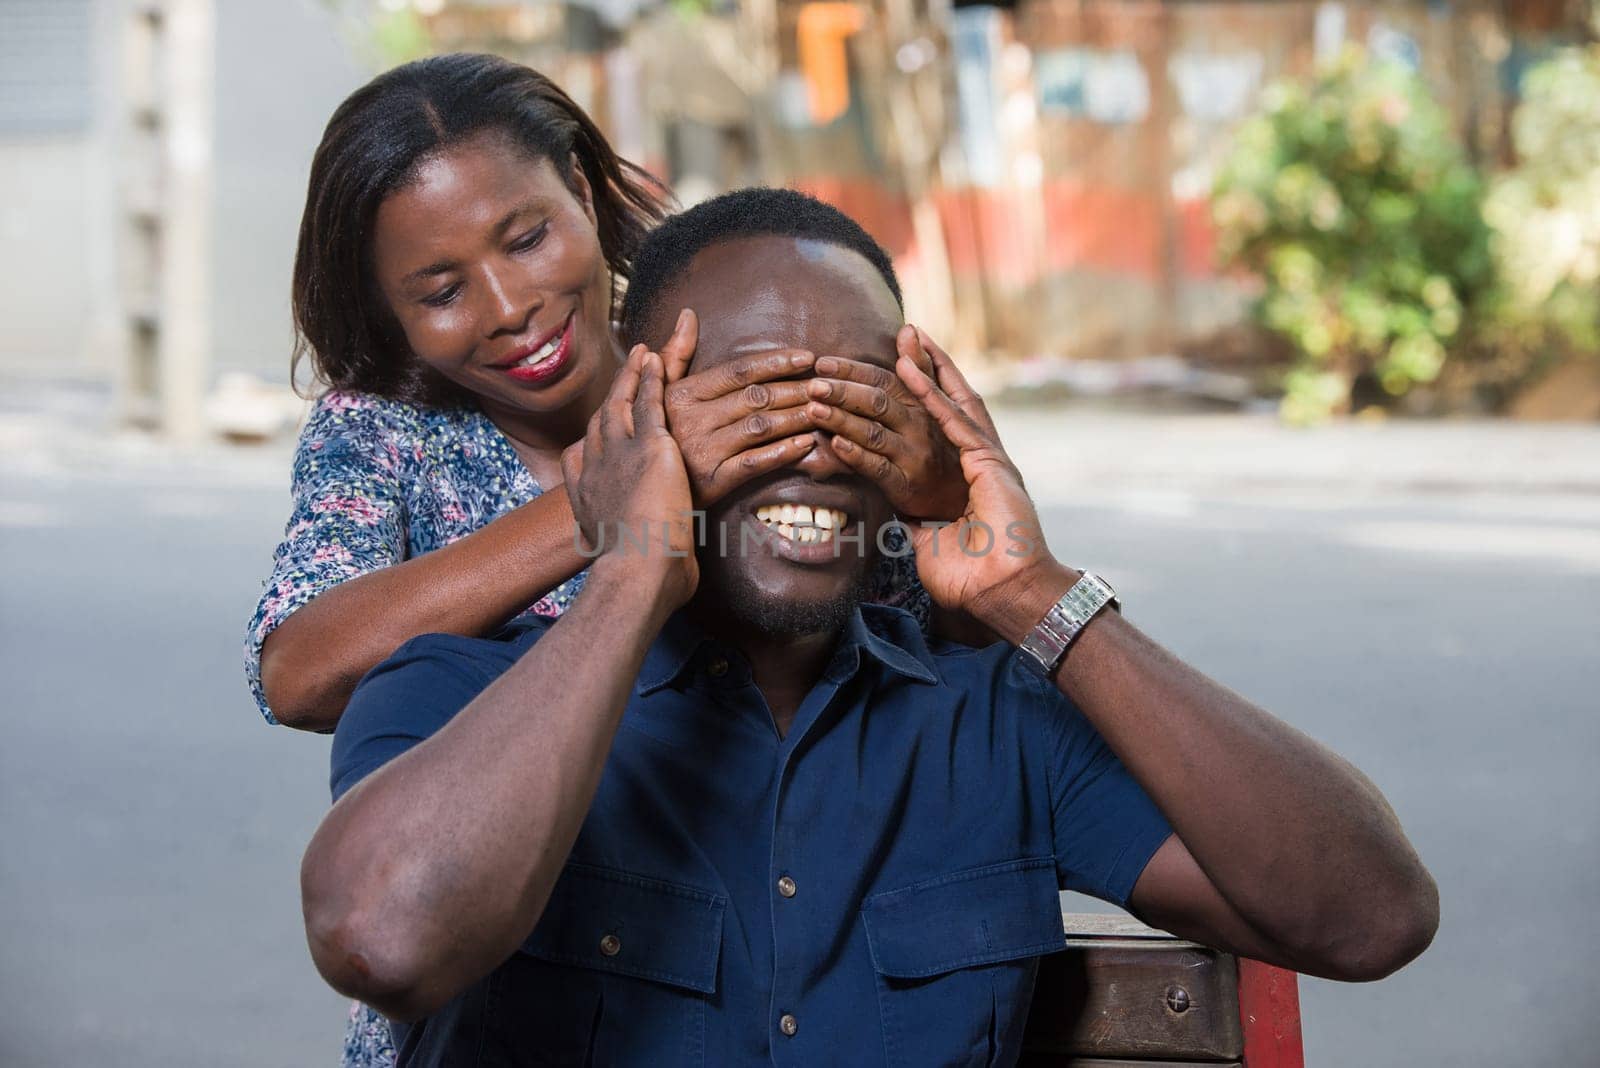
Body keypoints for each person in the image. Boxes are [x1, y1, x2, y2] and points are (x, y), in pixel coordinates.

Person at [300, 189, 1439, 1065]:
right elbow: (385, 941)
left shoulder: (1000, 723)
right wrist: (628, 566)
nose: (810, 446)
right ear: (637, 424)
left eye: (856, 403)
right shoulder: (456, 695)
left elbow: (1369, 918)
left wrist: (1030, 594)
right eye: (750, 404)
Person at [248, 55, 960, 1067]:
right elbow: (300, 669)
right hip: (493, 973)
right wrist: (604, 504)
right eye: (441, 289)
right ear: (388, 308)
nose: (508, 307)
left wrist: (933, 501)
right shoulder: (387, 435)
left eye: (528, 237)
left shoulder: (715, 343)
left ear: (580, 193)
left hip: (757, 948)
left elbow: (928, 645)